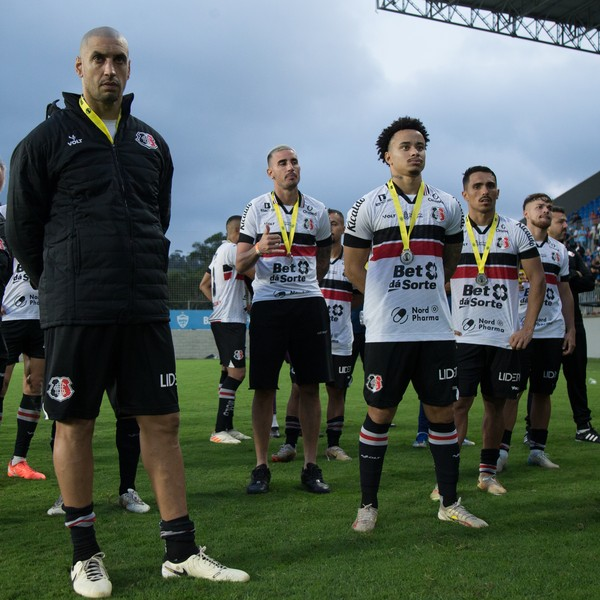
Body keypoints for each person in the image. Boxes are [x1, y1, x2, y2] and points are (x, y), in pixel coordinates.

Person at [7, 27, 249, 598]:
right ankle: (85, 556)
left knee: (161, 424)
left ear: (129, 68)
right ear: (80, 67)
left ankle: (180, 551)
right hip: (77, 308)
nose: (109, 69)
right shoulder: (44, 140)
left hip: (142, 306)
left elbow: (156, 219)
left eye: (119, 59)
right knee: (76, 423)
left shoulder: (151, 143)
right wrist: (60, 280)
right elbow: (21, 228)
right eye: (99, 59)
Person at [343, 116, 487, 532]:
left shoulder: (447, 204)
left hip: (435, 328)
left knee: (442, 414)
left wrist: (424, 292)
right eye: (405, 146)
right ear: (387, 157)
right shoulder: (368, 204)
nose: (415, 152)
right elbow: (353, 267)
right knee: (380, 413)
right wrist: (386, 298)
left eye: (420, 145)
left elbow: (450, 261)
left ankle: (450, 502)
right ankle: (368, 506)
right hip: (386, 331)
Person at [236, 144, 333, 495]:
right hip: (268, 305)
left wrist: (304, 285)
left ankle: (310, 466)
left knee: (310, 386)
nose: (290, 167)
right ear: (271, 172)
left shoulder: (317, 210)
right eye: (282, 163)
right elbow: (240, 263)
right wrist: (259, 249)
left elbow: (323, 259)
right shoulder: (256, 208)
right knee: (264, 387)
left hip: (308, 303)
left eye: (294, 161)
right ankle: (261, 466)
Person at [450, 166, 545, 495]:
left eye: (490, 185)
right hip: (462, 336)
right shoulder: (453, 231)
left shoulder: (516, 231)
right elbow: (435, 278)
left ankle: (487, 474)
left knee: (495, 406)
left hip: (504, 338)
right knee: (458, 404)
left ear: (498, 192)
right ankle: (447, 476)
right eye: (477, 186)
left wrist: (527, 328)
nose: (484, 191)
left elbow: (538, 280)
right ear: (465, 194)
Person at [271, 209, 355, 463]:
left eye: (336, 223)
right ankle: (289, 444)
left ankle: (333, 446)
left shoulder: (352, 261)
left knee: (336, 390)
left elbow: (359, 296)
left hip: (340, 338)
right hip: (308, 337)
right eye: (327, 223)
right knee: (299, 388)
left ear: (343, 229)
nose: (331, 227)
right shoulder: (308, 258)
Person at [499, 194, 576, 471]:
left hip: (551, 332)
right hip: (519, 330)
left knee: (543, 392)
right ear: (525, 212)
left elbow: (565, 291)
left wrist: (571, 329)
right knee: (512, 392)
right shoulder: (512, 243)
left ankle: (537, 450)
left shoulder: (559, 250)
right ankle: (501, 451)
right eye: (539, 207)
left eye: (548, 208)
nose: (545, 211)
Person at [0, 222, 47, 481]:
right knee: (2, 384)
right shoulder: (7, 219)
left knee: (35, 384)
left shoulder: (51, 223)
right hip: (9, 317)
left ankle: (18, 461)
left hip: (40, 318)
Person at [547, 206, 598, 442]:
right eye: (561, 221)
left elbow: (589, 281)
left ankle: (583, 427)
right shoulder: (536, 251)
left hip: (573, 321)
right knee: (540, 382)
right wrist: (570, 277)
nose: (566, 226)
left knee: (577, 377)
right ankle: (532, 430)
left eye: (566, 221)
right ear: (548, 224)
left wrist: (564, 278)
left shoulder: (572, 252)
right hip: (546, 323)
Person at [199, 215, 251, 445]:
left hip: (224, 317)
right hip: (230, 321)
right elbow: (255, 273)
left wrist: (219, 303)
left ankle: (227, 427)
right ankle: (219, 430)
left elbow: (203, 284)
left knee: (227, 371)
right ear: (238, 231)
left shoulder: (219, 251)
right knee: (238, 374)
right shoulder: (232, 249)